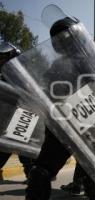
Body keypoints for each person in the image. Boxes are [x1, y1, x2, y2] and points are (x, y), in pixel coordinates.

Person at [25, 17, 95, 200]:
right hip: (62, 124)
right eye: (58, 39)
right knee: (40, 173)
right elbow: (44, 90)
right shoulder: (57, 65)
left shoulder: (93, 62)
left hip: (89, 127)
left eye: (63, 37)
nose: (61, 42)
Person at [0, 42, 34, 183]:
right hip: (7, 118)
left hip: (21, 117)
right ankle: (33, 177)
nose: (0, 60)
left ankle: (34, 178)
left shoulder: (23, 74)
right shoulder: (4, 75)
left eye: (3, 57)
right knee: (20, 150)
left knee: (14, 148)